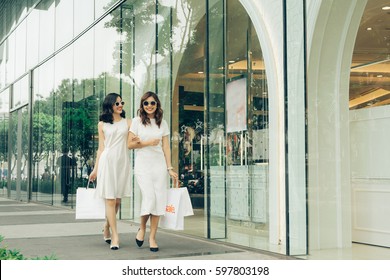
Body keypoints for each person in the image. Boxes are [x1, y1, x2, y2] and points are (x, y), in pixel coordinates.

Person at [128, 91, 178, 252]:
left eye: (152, 103)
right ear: (142, 105)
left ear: (157, 105)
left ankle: (152, 237)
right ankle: (142, 228)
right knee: (149, 198)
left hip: (159, 166)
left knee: (159, 200)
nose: (149, 106)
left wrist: (169, 168)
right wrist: (147, 142)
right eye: (146, 103)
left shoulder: (162, 123)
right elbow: (130, 145)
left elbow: (166, 147)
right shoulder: (136, 122)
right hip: (143, 165)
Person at [89, 92, 138, 250]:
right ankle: (115, 236)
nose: (120, 105)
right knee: (110, 200)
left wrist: (137, 140)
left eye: (121, 102)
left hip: (122, 161)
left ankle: (107, 226)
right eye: (117, 103)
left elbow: (132, 141)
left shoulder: (128, 123)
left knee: (117, 200)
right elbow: (100, 149)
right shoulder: (102, 124)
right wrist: (95, 169)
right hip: (107, 161)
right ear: (110, 105)